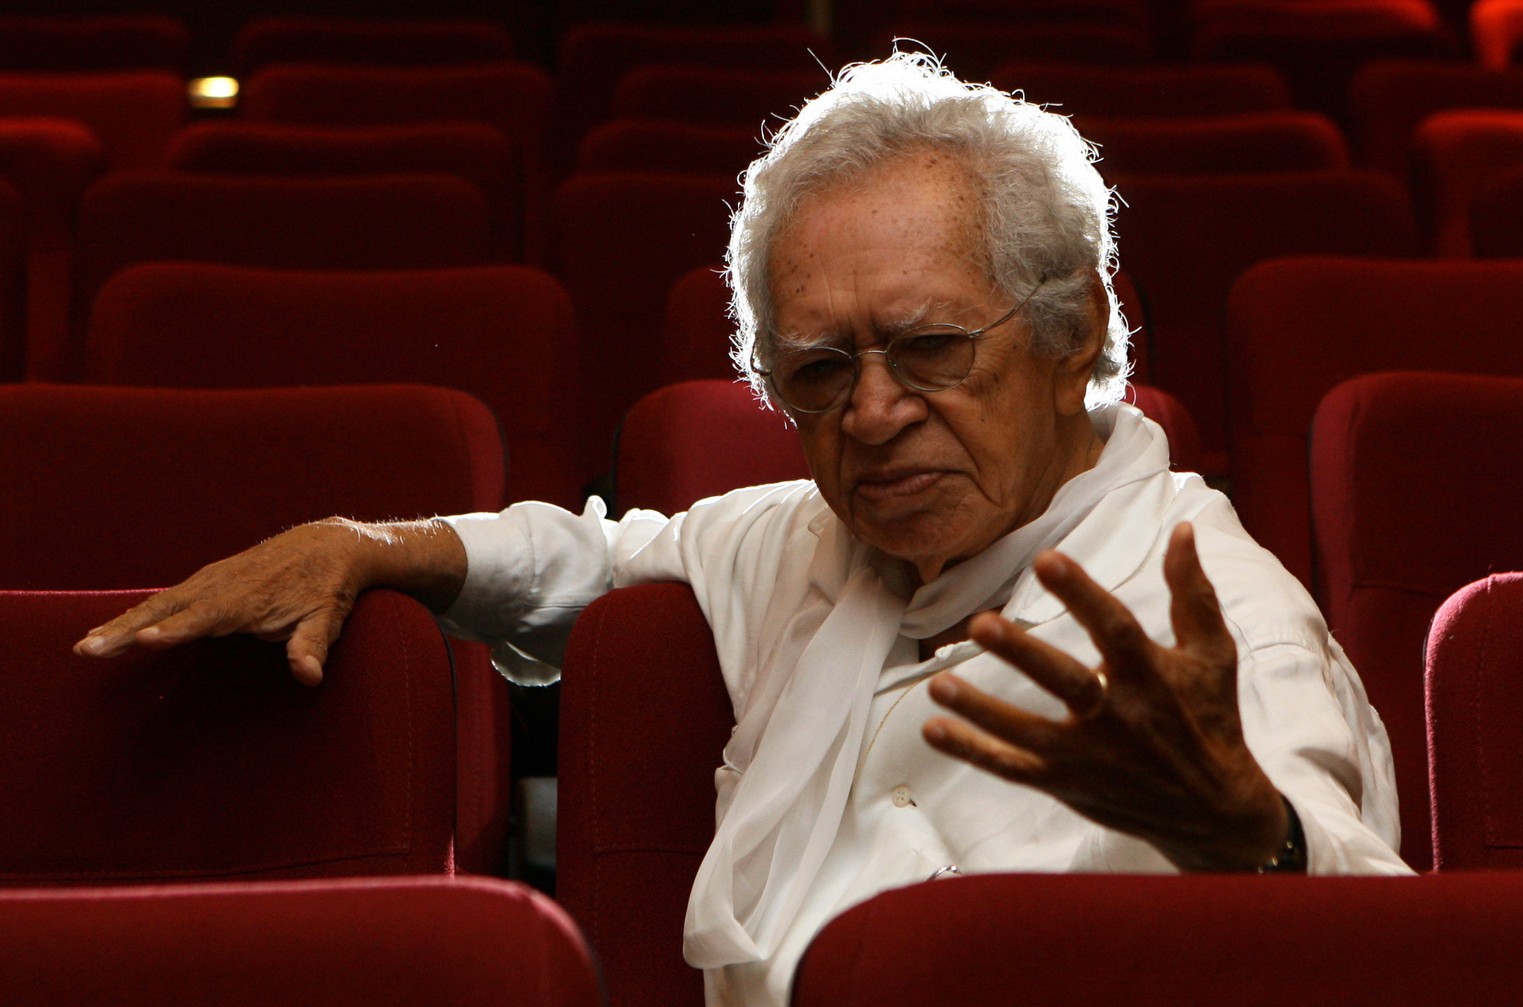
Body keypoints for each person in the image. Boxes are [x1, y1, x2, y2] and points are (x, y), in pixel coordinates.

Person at [75, 53, 1409, 1007]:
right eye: (821, 370)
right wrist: (377, 544)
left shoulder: (1211, 600)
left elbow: (1399, 946)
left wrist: (1254, 843)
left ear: (1075, 341)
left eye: (931, 348)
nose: (874, 414)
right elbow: (594, 558)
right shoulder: (802, 543)